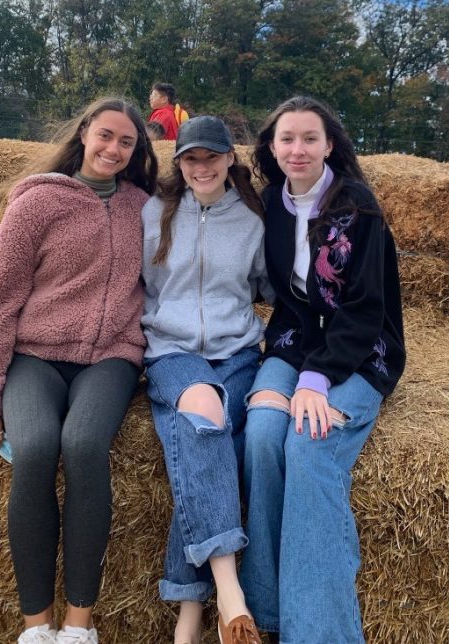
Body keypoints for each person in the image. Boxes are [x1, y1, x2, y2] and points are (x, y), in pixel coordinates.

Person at [0, 96, 158, 644]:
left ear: (137, 151)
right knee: (38, 447)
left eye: (127, 142)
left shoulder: (145, 209)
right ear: (85, 132)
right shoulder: (37, 203)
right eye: (106, 135)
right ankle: (35, 628)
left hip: (112, 357)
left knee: (85, 446)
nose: (113, 148)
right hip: (35, 356)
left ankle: (77, 628)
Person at [240, 96, 406, 644]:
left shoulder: (358, 208)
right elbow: (287, 298)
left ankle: (318, 633)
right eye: (286, 138)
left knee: (308, 444)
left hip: (361, 350)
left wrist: (317, 379)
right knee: (263, 435)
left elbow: (365, 310)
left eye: (310, 138)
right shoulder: (272, 203)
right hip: (295, 342)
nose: (297, 149)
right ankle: (264, 612)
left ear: (329, 144)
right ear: (272, 146)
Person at [141, 116, 271, 644]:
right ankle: (230, 593)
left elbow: (270, 286)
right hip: (171, 351)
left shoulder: (254, 220)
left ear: (229, 159)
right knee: (203, 410)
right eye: (191, 158)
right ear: (178, 162)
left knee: (209, 444)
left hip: (238, 351)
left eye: (211, 157)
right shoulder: (152, 214)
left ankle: (189, 615)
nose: (202, 167)